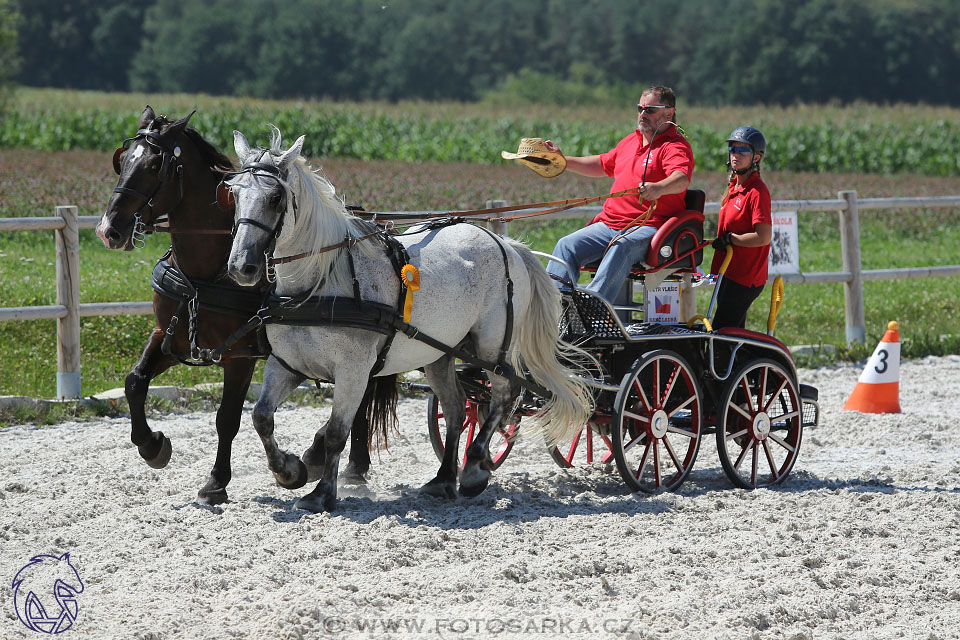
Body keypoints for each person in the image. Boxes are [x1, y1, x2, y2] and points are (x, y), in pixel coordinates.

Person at [542, 85, 695, 303]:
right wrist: (563, 161)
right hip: (609, 224)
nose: (643, 114)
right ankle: (555, 307)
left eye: (650, 109)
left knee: (621, 246)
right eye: (640, 108)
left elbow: (681, 179)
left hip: (648, 226)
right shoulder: (629, 141)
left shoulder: (674, 146)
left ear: (669, 113)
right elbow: (601, 164)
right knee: (566, 245)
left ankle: (594, 306)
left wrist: (658, 188)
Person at [710, 126, 772, 330]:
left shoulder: (757, 192)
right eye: (733, 149)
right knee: (732, 332)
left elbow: (763, 237)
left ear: (756, 157)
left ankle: (732, 362)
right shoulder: (734, 187)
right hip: (728, 271)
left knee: (722, 332)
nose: (736, 154)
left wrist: (732, 239)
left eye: (743, 150)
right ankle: (738, 362)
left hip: (745, 277)